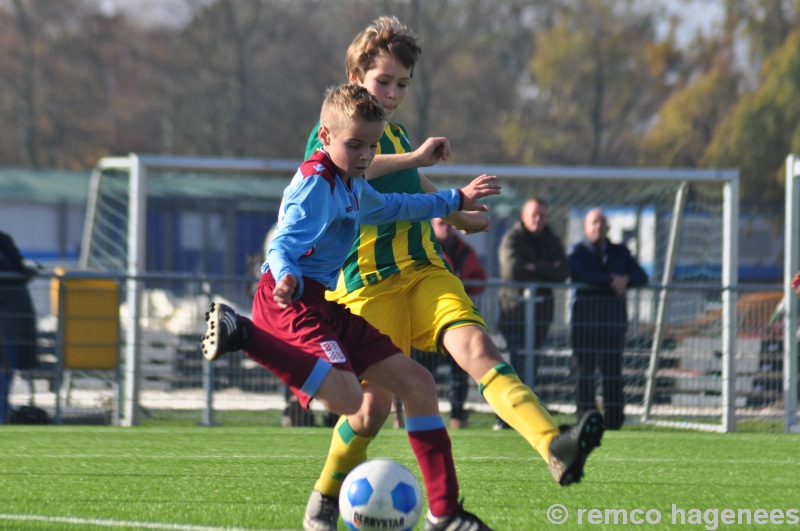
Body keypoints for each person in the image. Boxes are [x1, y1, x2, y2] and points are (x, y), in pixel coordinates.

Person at [302, 16, 604, 531]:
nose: (394, 93)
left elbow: (411, 184)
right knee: (369, 412)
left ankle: (553, 444)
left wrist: (458, 212)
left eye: (402, 84)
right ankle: (324, 499)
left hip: (424, 272)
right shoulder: (336, 126)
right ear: (355, 77)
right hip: (366, 284)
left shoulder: (392, 133)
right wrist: (419, 160)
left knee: (480, 351)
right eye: (384, 82)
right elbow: (352, 167)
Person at [201, 83, 500, 530]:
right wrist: (286, 275)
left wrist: (454, 200)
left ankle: (445, 513)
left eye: (372, 146)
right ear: (324, 137)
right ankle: (241, 332)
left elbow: (398, 205)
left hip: (321, 301)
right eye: (354, 145)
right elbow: (283, 240)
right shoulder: (317, 184)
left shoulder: (353, 186)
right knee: (349, 399)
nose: (365, 155)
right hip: (287, 298)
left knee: (418, 384)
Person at [567, 208, 649, 430]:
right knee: (584, 374)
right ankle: (586, 420)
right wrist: (612, 280)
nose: (598, 226)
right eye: (593, 222)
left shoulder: (620, 251)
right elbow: (578, 274)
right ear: (585, 227)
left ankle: (614, 422)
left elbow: (641, 276)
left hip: (613, 324)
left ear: (608, 227)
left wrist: (627, 278)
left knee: (613, 374)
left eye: (602, 222)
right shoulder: (577, 252)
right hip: (584, 323)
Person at [496, 197, 570, 430]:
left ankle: (527, 420)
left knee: (532, 368)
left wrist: (533, 267)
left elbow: (563, 272)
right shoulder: (512, 238)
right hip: (515, 316)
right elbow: (512, 270)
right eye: (533, 215)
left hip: (540, 317)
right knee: (515, 370)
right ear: (523, 217)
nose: (538, 220)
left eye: (542, 216)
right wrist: (545, 268)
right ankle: (505, 419)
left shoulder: (551, 240)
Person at [408, 217, 488, 430]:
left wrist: (460, 288)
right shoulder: (422, 245)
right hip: (428, 320)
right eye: (442, 223)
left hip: (454, 319)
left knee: (460, 373)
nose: (447, 227)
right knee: (423, 372)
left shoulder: (464, 250)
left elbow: (480, 279)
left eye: (449, 223)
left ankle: (457, 417)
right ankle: (421, 416)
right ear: (432, 225)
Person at [0, 230, 39, 424]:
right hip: (8, 312)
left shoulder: (4, 240)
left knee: (5, 368)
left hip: (10, 314)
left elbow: (17, 266)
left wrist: (26, 270)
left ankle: (3, 416)